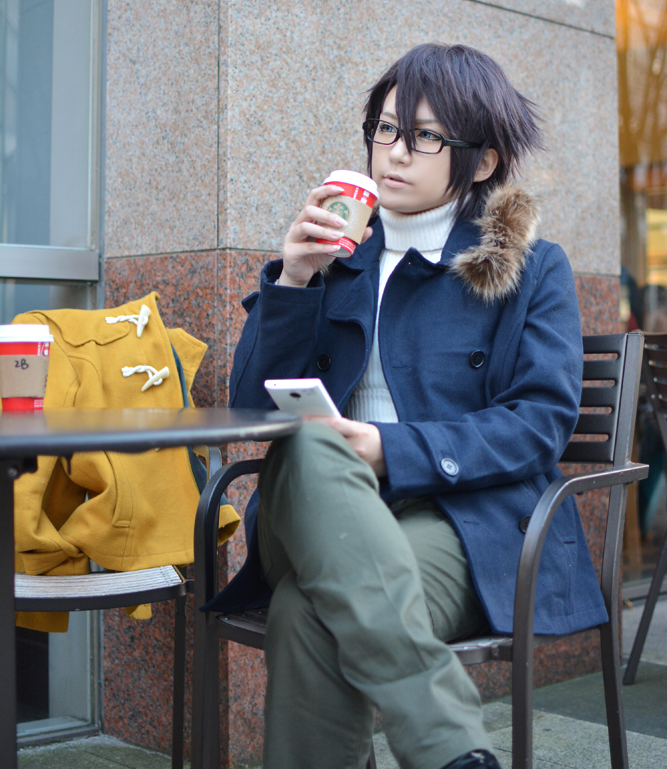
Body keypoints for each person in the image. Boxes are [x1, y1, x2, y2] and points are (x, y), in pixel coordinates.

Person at [209, 43, 608, 769]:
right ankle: (449, 745)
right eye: (386, 129)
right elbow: (246, 410)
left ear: (481, 162)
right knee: (311, 441)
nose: (393, 152)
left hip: (459, 522)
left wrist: (390, 449)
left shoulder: (529, 267)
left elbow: (539, 423)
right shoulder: (336, 256)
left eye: (424, 136)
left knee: (306, 614)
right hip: (310, 506)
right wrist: (294, 280)